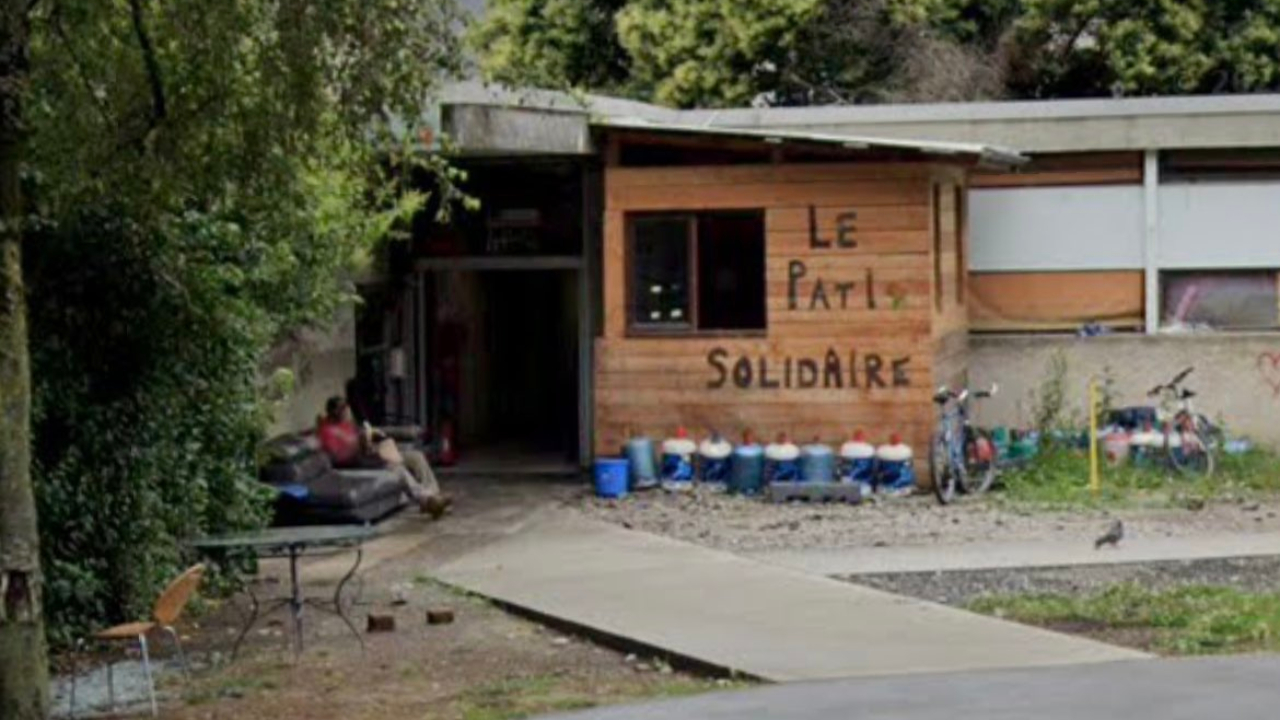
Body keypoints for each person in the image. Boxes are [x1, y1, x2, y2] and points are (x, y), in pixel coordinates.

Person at [317, 396, 452, 518]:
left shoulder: (348, 425)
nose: (348, 412)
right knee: (397, 468)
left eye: (347, 408)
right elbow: (338, 457)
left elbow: (360, 440)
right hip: (358, 463)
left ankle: (434, 495)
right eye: (344, 409)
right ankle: (427, 500)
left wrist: (370, 438)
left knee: (416, 457)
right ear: (335, 412)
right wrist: (362, 448)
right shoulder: (327, 431)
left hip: (370, 454)